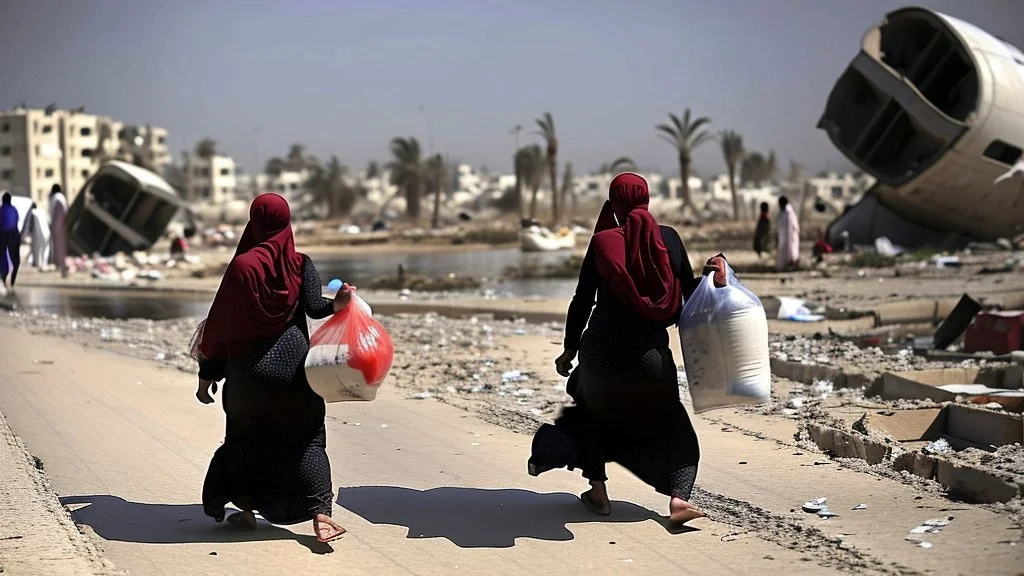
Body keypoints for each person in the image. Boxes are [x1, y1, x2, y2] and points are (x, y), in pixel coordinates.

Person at [528, 173, 727, 527]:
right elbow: (690, 293)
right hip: (650, 356)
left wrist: (568, 350)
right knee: (671, 424)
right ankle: (679, 499)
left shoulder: (603, 242)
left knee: (590, 410)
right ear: (648, 200)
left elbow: (582, 300)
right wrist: (717, 274)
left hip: (600, 353)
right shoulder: (668, 238)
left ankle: (598, 493)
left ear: (613, 205)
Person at [190, 193, 352, 543]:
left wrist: (207, 375)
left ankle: (246, 511)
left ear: (254, 222)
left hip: (248, 375)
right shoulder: (300, 263)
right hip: (295, 372)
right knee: (309, 441)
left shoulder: (242, 267)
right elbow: (315, 308)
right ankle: (321, 515)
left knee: (244, 442)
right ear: (286, 222)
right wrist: (339, 304)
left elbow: (221, 326)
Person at [0, 193, 21, 289]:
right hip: (14, 235)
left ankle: (4, 279)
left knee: (3, 258)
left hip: (3, 236)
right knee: (16, 260)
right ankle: (12, 280)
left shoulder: (1, 210)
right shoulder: (14, 210)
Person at [22, 202, 51, 270]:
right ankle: (44, 264)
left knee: (38, 250)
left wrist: (25, 235)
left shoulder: (33, 212)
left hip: (39, 234)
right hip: (47, 233)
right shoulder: (41, 211)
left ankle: (39, 265)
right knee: (45, 249)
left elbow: (29, 225)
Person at [48, 184, 69, 278]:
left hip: (58, 227)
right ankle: (62, 267)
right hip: (61, 226)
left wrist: (55, 227)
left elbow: (59, 214)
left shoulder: (57, 198)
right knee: (61, 248)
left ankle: (62, 267)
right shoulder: (61, 198)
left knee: (60, 248)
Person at [776, 196, 800, 271]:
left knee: (790, 253)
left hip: (788, 237)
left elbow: (789, 228)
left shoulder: (788, 213)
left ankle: (789, 266)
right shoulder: (785, 212)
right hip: (785, 237)